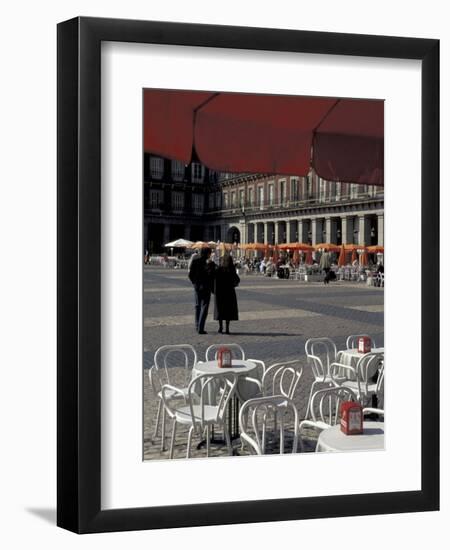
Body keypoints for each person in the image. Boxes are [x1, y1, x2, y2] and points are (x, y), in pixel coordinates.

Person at [188, 247, 215, 334]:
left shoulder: (195, 261)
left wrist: (194, 283)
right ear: (208, 254)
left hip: (197, 287)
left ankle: (197, 326)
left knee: (197, 306)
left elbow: (190, 274)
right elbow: (213, 276)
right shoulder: (210, 263)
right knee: (204, 307)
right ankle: (201, 328)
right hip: (206, 287)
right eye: (210, 253)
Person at [213, 254, 240, 334]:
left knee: (220, 309)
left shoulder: (219, 269)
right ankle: (227, 328)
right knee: (228, 310)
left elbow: (213, 279)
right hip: (229, 292)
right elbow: (237, 280)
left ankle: (220, 327)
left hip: (220, 292)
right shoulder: (231, 269)